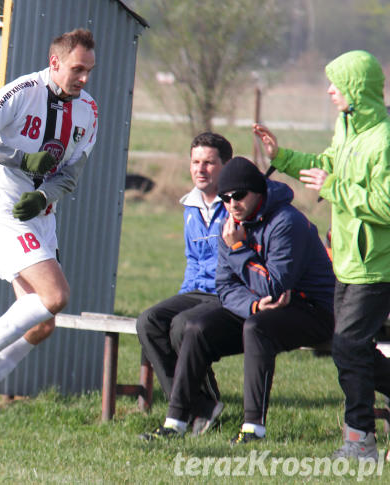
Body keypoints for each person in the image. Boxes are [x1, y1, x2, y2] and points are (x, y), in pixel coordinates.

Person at [0, 28, 99, 434]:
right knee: (56, 295)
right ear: (55, 62)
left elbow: (70, 176)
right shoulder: (23, 91)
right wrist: (21, 160)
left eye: (89, 71)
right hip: (3, 211)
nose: (83, 78)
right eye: (77, 69)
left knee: (43, 322)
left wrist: (44, 198)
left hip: (40, 215)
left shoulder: (89, 111)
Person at [254, 49, 390, 461]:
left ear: (356, 89)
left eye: (337, 84)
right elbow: (325, 166)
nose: (330, 91)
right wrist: (282, 158)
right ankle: (360, 437)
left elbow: (385, 204)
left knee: (348, 345)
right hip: (346, 260)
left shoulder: (383, 139)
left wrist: (333, 188)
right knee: (349, 345)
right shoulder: (347, 128)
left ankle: (360, 440)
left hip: (376, 265)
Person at [143, 157, 335, 444]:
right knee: (195, 327)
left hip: (313, 310)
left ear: (257, 191)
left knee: (256, 328)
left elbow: (274, 285)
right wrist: (253, 305)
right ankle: (177, 421)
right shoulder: (230, 224)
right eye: (225, 197)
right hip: (262, 308)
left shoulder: (286, 222)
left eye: (239, 195)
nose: (232, 203)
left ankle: (253, 428)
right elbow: (225, 286)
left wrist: (238, 249)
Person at [136, 132, 232, 438]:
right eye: (195, 162)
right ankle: (200, 405)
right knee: (149, 322)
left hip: (226, 294)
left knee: (182, 326)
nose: (201, 169)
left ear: (225, 166)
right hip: (195, 291)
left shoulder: (235, 204)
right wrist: (184, 296)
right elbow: (194, 258)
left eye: (209, 163)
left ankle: (193, 409)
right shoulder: (190, 206)